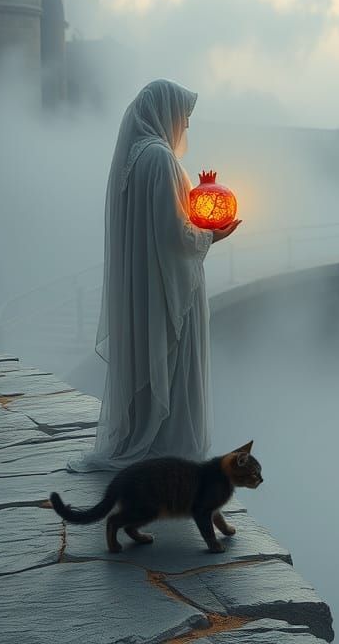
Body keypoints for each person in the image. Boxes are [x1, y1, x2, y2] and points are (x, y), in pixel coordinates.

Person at [68, 79, 241, 472]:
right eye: (184, 118)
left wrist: (193, 192)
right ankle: (173, 450)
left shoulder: (134, 157)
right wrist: (214, 234)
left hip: (144, 285)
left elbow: (153, 223)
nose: (186, 127)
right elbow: (174, 234)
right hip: (169, 288)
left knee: (151, 364)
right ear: (167, 114)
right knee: (176, 368)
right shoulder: (161, 158)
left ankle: (147, 440)